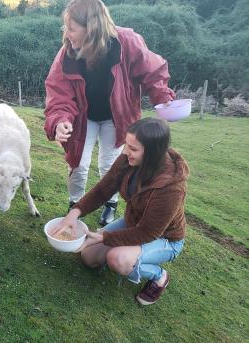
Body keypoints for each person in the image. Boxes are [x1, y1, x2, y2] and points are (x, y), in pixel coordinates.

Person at [44, 0, 175, 226]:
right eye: (66, 27)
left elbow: (153, 71)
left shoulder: (127, 42)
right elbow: (58, 91)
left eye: (72, 28)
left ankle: (110, 204)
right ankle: (75, 205)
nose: (67, 33)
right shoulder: (67, 53)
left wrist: (163, 97)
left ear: (91, 28)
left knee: (111, 165)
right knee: (78, 163)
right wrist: (60, 121)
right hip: (83, 117)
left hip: (118, 117)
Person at [51, 118, 188, 305]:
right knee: (89, 257)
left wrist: (106, 238)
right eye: (126, 144)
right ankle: (126, 253)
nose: (125, 151)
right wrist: (75, 212)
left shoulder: (171, 187)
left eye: (133, 148)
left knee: (117, 259)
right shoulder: (127, 159)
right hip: (133, 223)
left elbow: (148, 232)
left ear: (152, 153)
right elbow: (103, 189)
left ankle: (159, 276)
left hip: (164, 238)